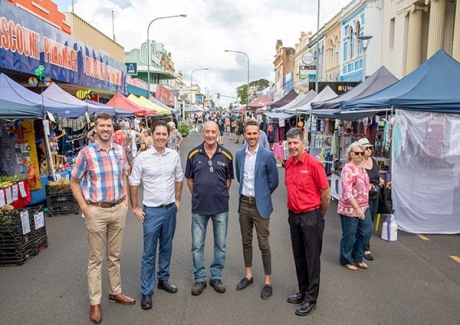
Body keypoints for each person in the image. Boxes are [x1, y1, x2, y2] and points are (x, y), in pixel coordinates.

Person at [69, 113, 135, 325]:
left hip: (117, 209)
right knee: (96, 259)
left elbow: (125, 174)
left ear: (112, 129)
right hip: (96, 211)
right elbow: (74, 182)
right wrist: (85, 208)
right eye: (102, 126)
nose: (106, 129)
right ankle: (95, 302)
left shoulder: (119, 150)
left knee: (114, 255)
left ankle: (115, 292)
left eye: (109, 126)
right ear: (95, 129)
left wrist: (125, 200)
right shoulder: (86, 153)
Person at [129, 121, 184, 310]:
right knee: (149, 252)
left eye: (164, 134)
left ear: (169, 136)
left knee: (167, 247)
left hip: (170, 210)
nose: (161, 137)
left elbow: (179, 178)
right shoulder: (142, 158)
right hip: (151, 211)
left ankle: (163, 279)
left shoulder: (174, 156)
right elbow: (133, 182)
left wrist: (177, 200)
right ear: (151, 135)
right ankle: (146, 291)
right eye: (158, 134)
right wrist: (135, 207)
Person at [284, 127, 330, 317]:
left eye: (296, 143)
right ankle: (303, 291)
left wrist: (320, 215)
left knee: (312, 258)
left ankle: (311, 298)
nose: (293, 147)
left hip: (312, 216)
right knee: (299, 256)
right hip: (294, 216)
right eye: (290, 143)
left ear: (304, 143)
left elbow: (326, 193)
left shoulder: (313, 164)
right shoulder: (288, 164)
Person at [185, 121, 234, 296]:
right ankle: (199, 279)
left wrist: (217, 193)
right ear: (202, 133)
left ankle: (216, 277)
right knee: (197, 245)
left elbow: (228, 181)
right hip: (199, 208)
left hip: (221, 208)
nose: (210, 134)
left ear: (218, 133)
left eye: (213, 131)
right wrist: (199, 194)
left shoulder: (227, 155)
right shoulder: (193, 154)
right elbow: (189, 180)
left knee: (220, 244)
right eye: (207, 131)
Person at [235, 120, 279, 300]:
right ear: (244, 135)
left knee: (263, 243)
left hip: (260, 205)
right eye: (248, 134)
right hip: (244, 203)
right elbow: (239, 176)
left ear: (259, 134)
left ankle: (267, 281)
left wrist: (262, 195)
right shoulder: (239, 154)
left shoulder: (267, 155)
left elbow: (274, 181)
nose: (252, 137)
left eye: (255, 133)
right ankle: (249, 275)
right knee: (246, 241)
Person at [338, 142, 373, 271]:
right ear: (350, 154)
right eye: (356, 153)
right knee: (350, 235)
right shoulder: (347, 169)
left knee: (367, 232)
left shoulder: (362, 168)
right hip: (350, 208)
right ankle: (346, 260)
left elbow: (363, 185)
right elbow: (347, 192)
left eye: (361, 153)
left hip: (364, 205)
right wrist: (357, 209)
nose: (359, 155)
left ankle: (357, 257)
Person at [357, 138, 384, 261]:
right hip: (363, 197)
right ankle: (364, 248)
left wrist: (380, 181)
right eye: (366, 148)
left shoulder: (373, 161)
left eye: (370, 148)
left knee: (370, 223)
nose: (369, 150)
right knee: (365, 224)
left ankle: (363, 245)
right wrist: (366, 186)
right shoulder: (358, 164)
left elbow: (376, 177)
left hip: (375, 196)